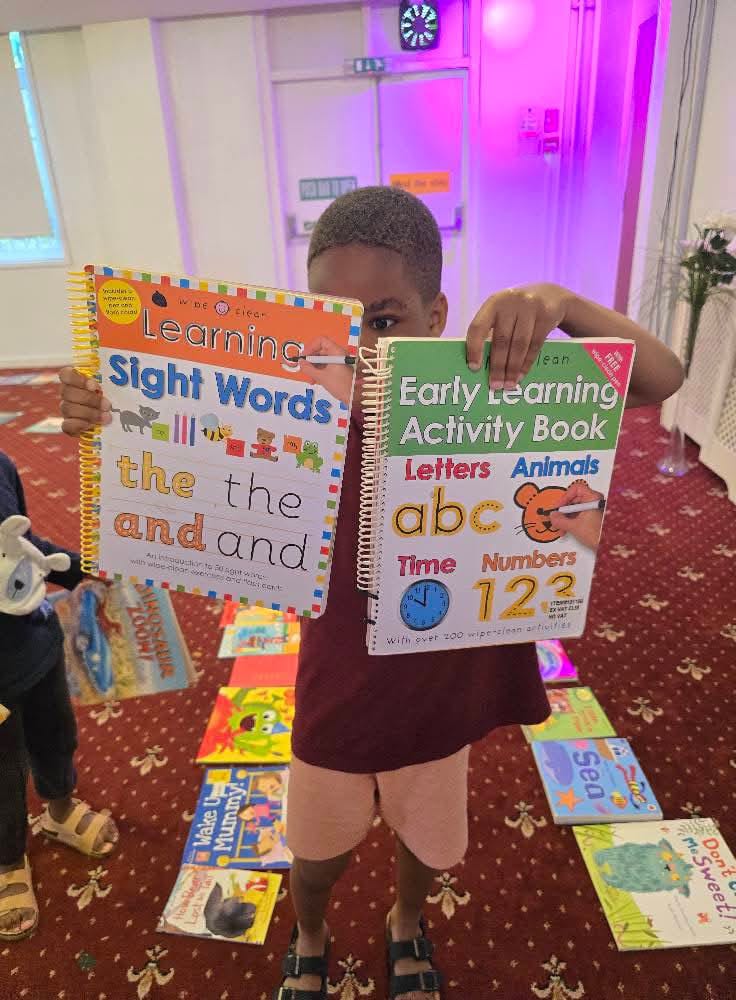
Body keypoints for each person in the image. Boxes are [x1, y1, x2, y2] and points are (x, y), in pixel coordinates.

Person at [58, 186, 684, 1000]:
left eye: (384, 321)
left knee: (427, 838)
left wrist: (559, 302)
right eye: (336, 322)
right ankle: (310, 928)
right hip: (339, 684)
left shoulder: (487, 396)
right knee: (315, 851)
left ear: (437, 316)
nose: (358, 346)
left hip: (442, 683)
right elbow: (186, 455)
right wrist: (112, 415)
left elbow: (660, 377)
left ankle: (404, 920)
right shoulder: (299, 414)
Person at [0, 452, 119, 942]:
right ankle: (7, 861)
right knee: (4, 769)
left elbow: (24, 545)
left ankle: (60, 808)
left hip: (36, 641)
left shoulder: (2, 465)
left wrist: (77, 569)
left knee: (56, 735)